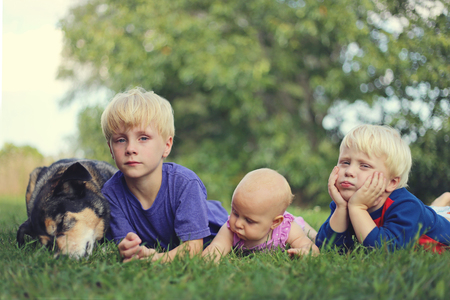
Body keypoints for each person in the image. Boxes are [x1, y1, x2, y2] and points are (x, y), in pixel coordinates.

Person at [100, 87, 228, 262]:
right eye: (121, 140)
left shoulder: (185, 184)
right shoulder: (110, 193)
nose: (130, 149)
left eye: (143, 138)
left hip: (222, 225)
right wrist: (129, 248)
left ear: (167, 146)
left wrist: (156, 258)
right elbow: (126, 244)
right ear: (110, 148)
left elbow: (193, 247)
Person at [315, 124, 450, 252]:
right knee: (432, 211)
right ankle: (441, 203)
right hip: (427, 214)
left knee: (437, 215)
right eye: (345, 162)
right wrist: (341, 208)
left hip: (441, 224)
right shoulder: (343, 204)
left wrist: (358, 208)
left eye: (364, 166)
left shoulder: (407, 206)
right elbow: (326, 248)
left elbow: (387, 250)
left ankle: (443, 202)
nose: (349, 171)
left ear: (391, 182)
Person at [203, 168, 319, 262]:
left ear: (274, 223)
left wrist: (305, 252)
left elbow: (310, 248)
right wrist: (209, 259)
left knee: (306, 231)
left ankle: (309, 228)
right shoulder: (230, 229)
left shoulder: (287, 229)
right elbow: (217, 247)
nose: (238, 223)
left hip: (294, 225)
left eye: (249, 220)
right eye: (235, 213)